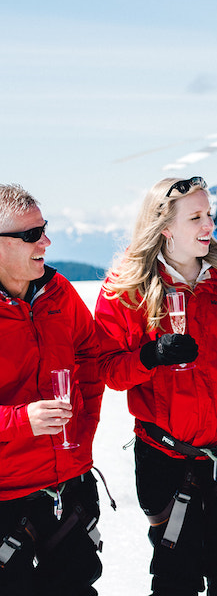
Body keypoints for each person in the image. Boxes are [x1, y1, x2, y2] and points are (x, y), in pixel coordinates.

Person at [93, 176, 217, 596]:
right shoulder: (127, 290)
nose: (209, 224)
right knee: (176, 580)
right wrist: (150, 357)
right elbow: (108, 370)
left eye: (209, 214)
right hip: (165, 459)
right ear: (165, 228)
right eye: (195, 217)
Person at [0, 184, 105, 595]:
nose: (45, 241)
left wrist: (84, 430)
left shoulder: (59, 292)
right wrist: (21, 420)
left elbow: (91, 358)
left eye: (43, 229)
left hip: (68, 484)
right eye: (30, 235)